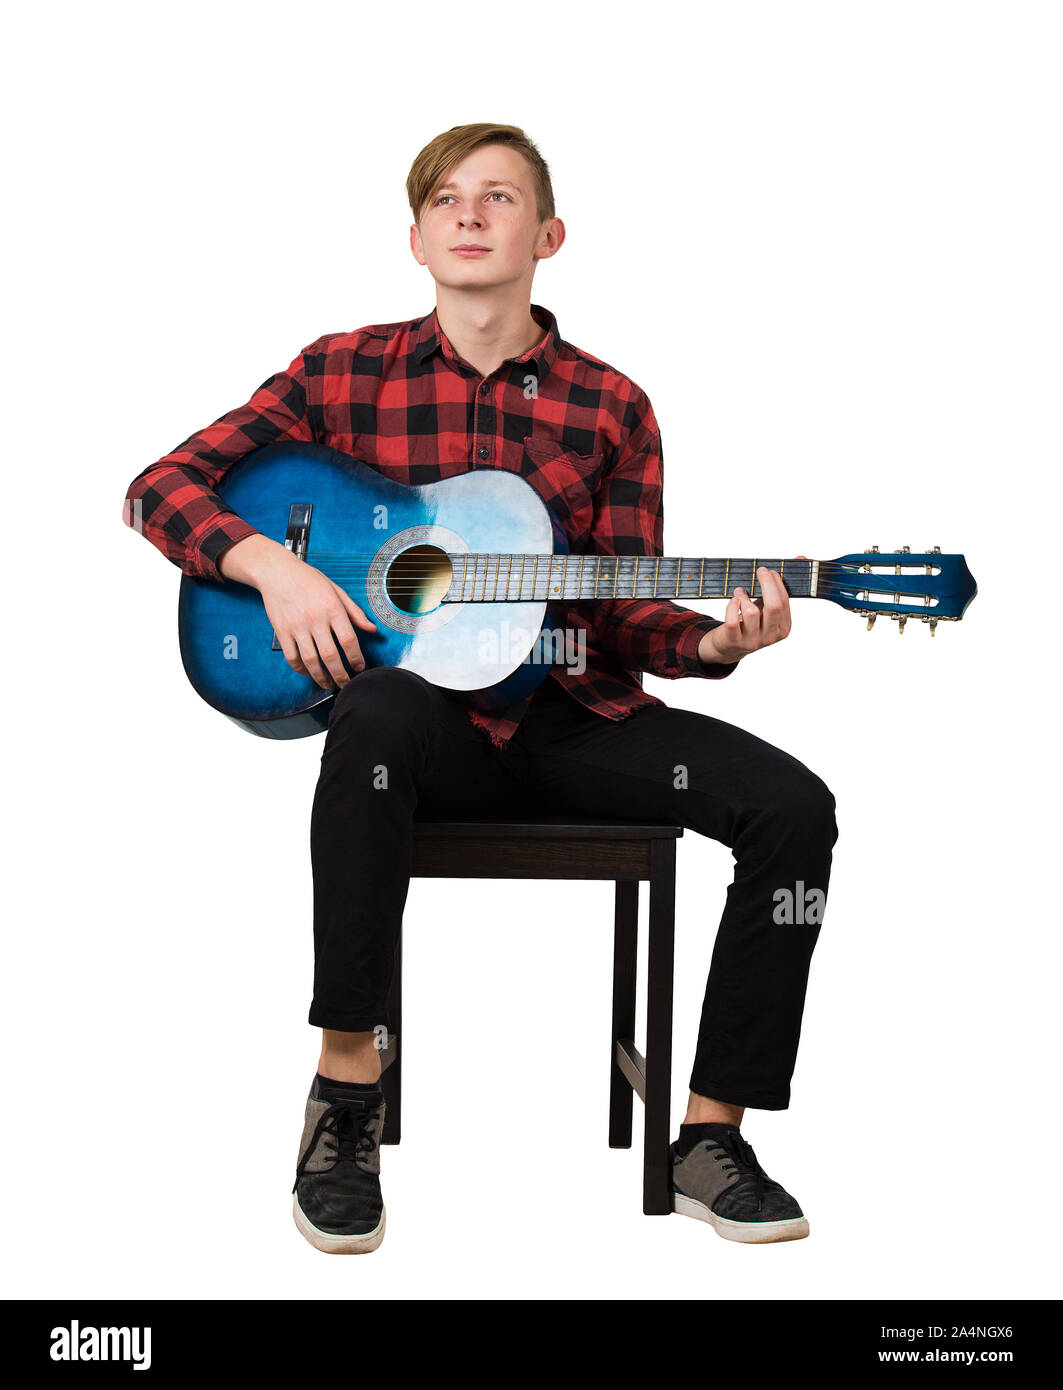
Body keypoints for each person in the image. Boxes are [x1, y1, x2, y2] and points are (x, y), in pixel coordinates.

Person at [123, 122, 838, 1254]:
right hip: (412, 730)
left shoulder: (612, 406)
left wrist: (713, 646)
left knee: (796, 809)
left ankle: (710, 1133)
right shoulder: (339, 372)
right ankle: (345, 1097)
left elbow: (622, 608)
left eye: (498, 197)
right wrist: (278, 569)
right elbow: (159, 488)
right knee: (375, 707)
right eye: (446, 199)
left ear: (547, 234)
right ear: (414, 237)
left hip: (569, 717)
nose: (469, 214)